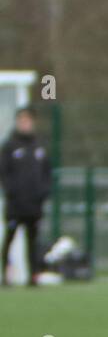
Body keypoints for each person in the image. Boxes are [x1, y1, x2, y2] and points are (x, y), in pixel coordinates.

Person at [0, 108, 53, 287]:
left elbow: (47, 173)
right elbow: (4, 173)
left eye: (28, 120)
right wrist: (12, 191)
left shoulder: (39, 146)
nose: (25, 124)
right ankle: (6, 276)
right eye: (22, 120)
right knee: (10, 238)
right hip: (15, 205)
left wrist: (43, 192)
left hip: (34, 205)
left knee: (33, 241)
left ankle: (33, 276)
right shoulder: (10, 146)